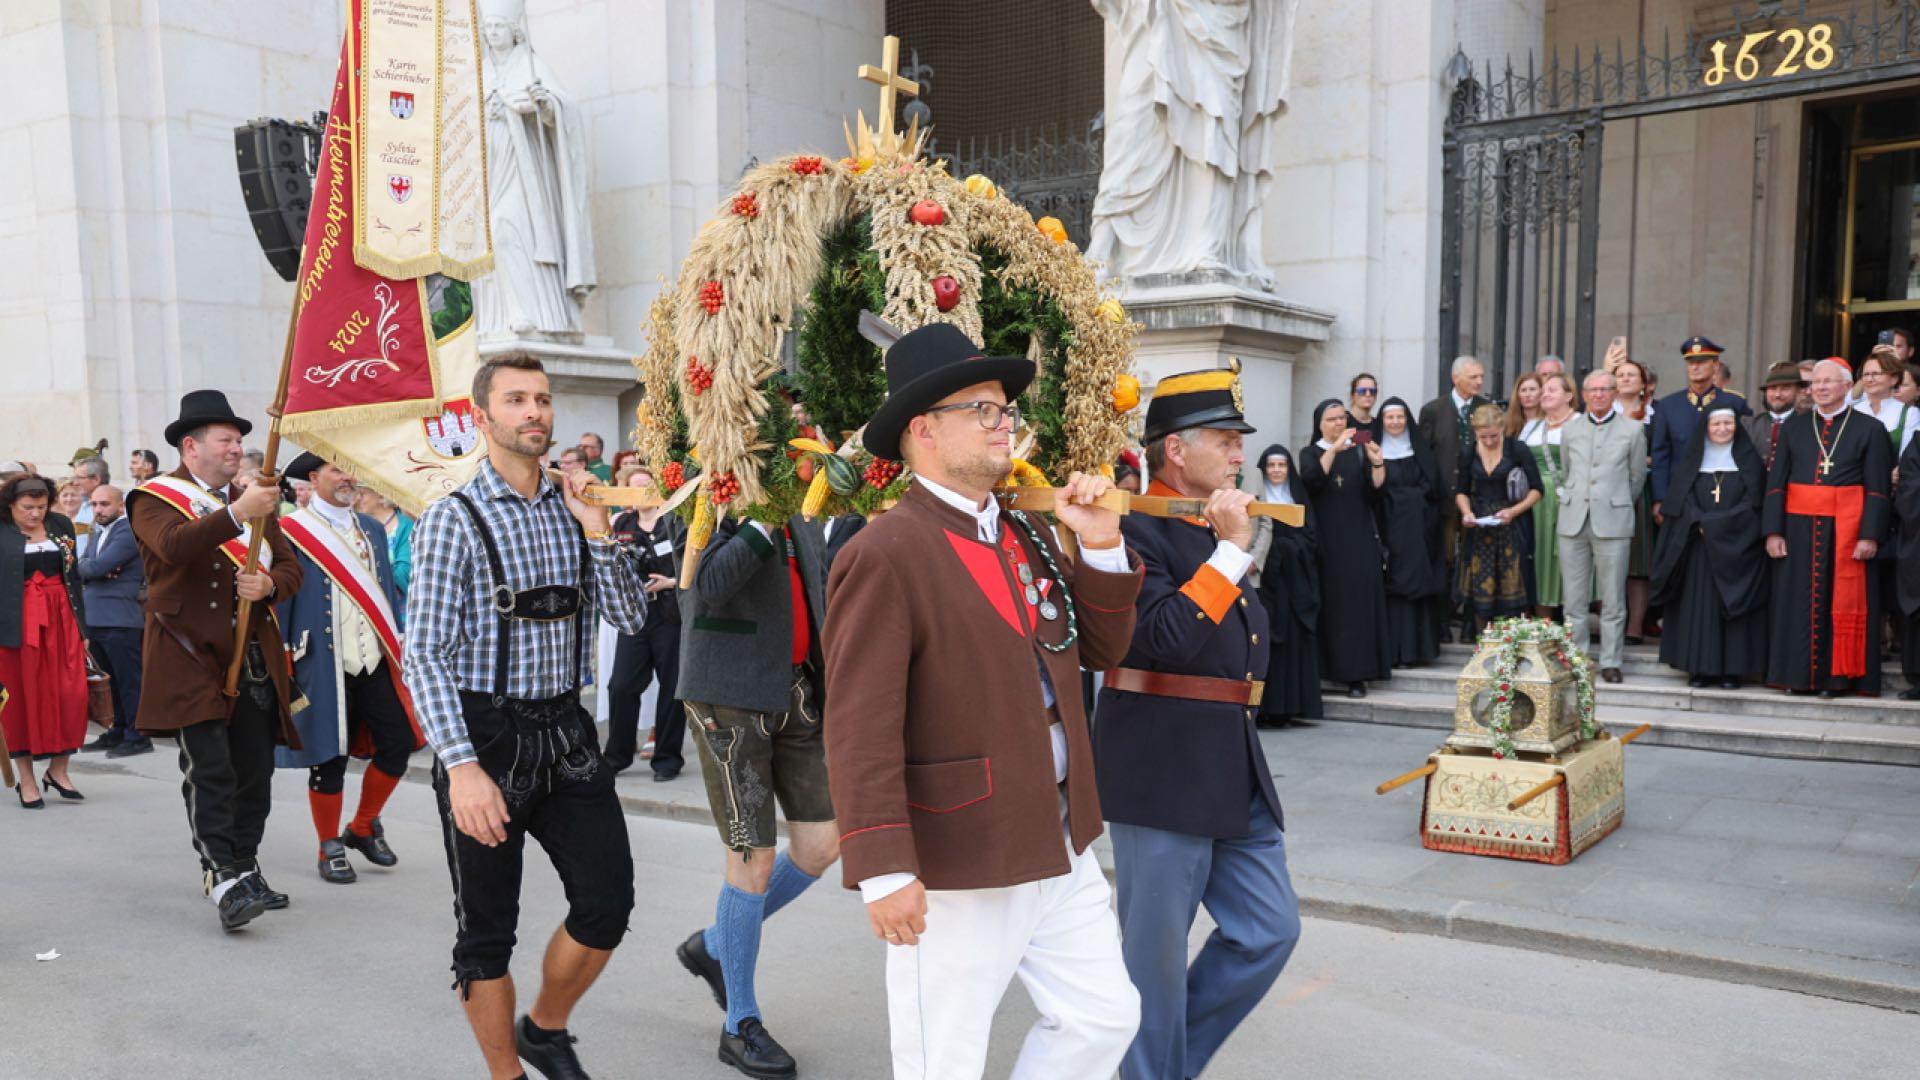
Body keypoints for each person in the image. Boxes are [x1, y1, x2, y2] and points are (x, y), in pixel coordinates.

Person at [823, 323, 1145, 1080]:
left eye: (1006, 411)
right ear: (923, 429)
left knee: (1105, 1018)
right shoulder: (884, 551)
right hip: (958, 851)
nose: (1006, 426)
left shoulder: (1028, 531)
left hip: (1059, 839)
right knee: (944, 1061)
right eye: (986, 410)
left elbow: (1100, 652)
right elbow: (859, 724)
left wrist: (1098, 545)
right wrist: (882, 868)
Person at [403, 356, 651, 1078]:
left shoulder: (576, 506)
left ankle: (545, 1027)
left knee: (607, 904)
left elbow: (631, 618)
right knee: (486, 937)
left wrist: (599, 532)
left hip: (567, 733)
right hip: (486, 738)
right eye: (516, 400)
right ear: (483, 417)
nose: (534, 412)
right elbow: (425, 656)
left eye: (542, 399)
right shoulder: (453, 518)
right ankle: (506, 1074)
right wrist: (462, 769)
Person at [1093, 364, 1295, 1080]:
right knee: (1152, 963)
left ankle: (1164, 1068)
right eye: (1225, 439)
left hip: (1228, 761)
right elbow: (1160, 639)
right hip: (1160, 766)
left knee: (1269, 930)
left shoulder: (1209, 521)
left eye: (1239, 441)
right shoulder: (1130, 525)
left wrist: (1231, 543)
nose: (1241, 453)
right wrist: (1233, 551)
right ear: (1174, 450)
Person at [673, 462, 838, 1079]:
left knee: (822, 846)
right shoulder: (699, 482)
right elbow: (707, 584)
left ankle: (717, 945)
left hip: (796, 689)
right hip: (727, 697)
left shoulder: (802, 487)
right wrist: (763, 514)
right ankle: (739, 1021)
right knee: (752, 857)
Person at [126, 390, 303, 930]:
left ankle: (246, 863)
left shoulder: (250, 501)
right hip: (188, 652)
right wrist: (235, 514)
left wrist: (269, 584)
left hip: (251, 652)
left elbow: (293, 568)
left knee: (255, 771)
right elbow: (175, 547)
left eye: (239, 439)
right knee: (210, 770)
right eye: (226, 439)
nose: (237, 448)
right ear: (191, 445)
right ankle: (222, 875)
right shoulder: (152, 498)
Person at [274, 453, 423, 885]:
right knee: (329, 756)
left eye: (351, 470)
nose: (348, 478)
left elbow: (387, 598)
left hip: (372, 659)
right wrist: (283, 655)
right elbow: (282, 597)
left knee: (397, 742)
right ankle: (328, 845)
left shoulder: (373, 529)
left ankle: (362, 826)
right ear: (314, 477)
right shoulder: (290, 532)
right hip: (319, 658)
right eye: (337, 470)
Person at [1763, 357, 1892, 698]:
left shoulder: (1870, 429)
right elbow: (1776, 483)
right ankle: (1798, 677)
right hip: (1798, 529)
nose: (1819, 388)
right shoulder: (1794, 427)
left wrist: (1870, 535)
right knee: (1798, 603)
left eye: (1828, 382)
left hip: (1847, 531)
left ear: (1848, 386)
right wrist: (1773, 531)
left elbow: (1878, 488)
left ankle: (1837, 680)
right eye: (1815, 382)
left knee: (1840, 603)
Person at [1652, 409, 1768, 688]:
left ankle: (1732, 671)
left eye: (1728, 423)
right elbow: (1683, 501)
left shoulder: (1749, 462)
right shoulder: (1692, 462)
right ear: (1706, 428)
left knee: (1733, 606)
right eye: (1716, 423)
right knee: (1699, 608)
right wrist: (1701, 524)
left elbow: (1755, 504)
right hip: (1698, 548)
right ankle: (1701, 668)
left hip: (1738, 549)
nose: (1722, 428)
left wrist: (1717, 526)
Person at [1, 474, 90, 808]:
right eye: (27, 507)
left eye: (40, 506)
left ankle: (58, 769)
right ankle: (26, 780)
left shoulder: (61, 525)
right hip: (15, 625)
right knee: (21, 700)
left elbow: (74, 578)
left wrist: (83, 630)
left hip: (62, 620)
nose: (35, 514)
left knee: (71, 695)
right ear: (11, 504)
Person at [1557, 370, 1649, 683]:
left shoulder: (1633, 430)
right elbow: (1567, 469)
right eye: (1592, 390)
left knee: (1612, 597)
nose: (1598, 395)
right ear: (1583, 394)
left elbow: (1637, 477)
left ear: (1613, 393)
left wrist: (1615, 501)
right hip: (1574, 520)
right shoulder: (1570, 430)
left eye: (1605, 390)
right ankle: (1577, 658)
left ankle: (1611, 660)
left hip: (1613, 521)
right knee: (1574, 597)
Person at [1301, 398, 1391, 696]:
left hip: (1359, 540)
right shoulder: (1310, 452)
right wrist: (1332, 451)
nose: (1339, 424)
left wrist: (1377, 461)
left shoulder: (1358, 454)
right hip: (1326, 541)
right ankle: (1327, 672)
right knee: (1331, 605)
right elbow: (1312, 482)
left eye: (1342, 418)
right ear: (1320, 424)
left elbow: (1376, 492)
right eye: (1332, 419)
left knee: (1357, 607)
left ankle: (1357, 676)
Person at [605, 463, 686, 780]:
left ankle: (667, 759)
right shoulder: (620, 523)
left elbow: (697, 562)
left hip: (670, 614)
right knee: (621, 686)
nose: (641, 492)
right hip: (636, 616)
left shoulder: (675, 520)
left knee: (671, 689)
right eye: (634, 487)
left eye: (646, 485)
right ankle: (617, 755)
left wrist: (670, 582)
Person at [1454, 405, 1542, 634]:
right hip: (1481, 523)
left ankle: (1514, 639)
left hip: (1511, 522)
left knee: (1514, 581)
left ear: (1502, 428)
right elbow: (1461, 490)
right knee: (1481, 583)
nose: (1490, 441)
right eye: (1484, 437)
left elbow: (1537, 490)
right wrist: (1466, 512)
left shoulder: (1517, 449)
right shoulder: (1468, 452)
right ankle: (1484, 640)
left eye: (1494, 435)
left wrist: (1513, 512)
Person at [1420, 355, 1491, 637]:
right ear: (1456, 378)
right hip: (1444, 502)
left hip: (1479, 500)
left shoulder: (1486, 409)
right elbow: (1424, 456)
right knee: (1445, 559)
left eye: (1481, 376)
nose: (1479, 381)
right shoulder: (1433, 410)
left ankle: (1472, 623)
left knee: (1476, 560)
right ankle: (1443, 620)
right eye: (1474, 376)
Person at [78, 483, 151, 757]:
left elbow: (94, 566)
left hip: (121, 619)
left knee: (128, 681)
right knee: (111, 683)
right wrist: (90, 570)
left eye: (104, 504)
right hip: (96, 617)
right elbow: (84, 565)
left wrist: (91, 570)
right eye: (94, 504)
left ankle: (138, 735)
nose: (98, 509)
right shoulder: (99, 532)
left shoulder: (128, 531)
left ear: (121, 505)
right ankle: (118, 729)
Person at [1251, 445, 1321, 726]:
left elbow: (1312, 539)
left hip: (1294, 586)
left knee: (1292, 644)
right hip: (1266, 583)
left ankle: (1289, 708)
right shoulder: (1256, 498)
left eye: (1282, 465)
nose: (1277, 471)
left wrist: (1289, 549)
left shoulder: (1299, 497)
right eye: (1271, 466)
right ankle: (1265, 709)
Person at [1375, 398, 1444, 667]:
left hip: (1419, 529)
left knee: (1417, 585)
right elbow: (1374, 491)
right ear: (1382, 421)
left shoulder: (1420, 450)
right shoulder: (1376, 452)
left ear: (1407, 420)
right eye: (1389, 418)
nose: (1395, 422)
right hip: (1388, 527)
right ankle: (1394, 652)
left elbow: (1433, 486)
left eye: (1400, 417)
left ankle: (1418, 650)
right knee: (1392, 585)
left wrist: (1410, 501)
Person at [1651, 337, 1749, 520]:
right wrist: (1660, 498)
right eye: (1690, 362)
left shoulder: (1734, 402)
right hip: (1680, 495)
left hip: (1722, 494)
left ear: (1715, 366)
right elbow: (1661, 455)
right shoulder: (1669, 406)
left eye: (1702, 362)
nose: (1695, 367)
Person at [1527, 373, 1577, 617]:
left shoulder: (1579, 423)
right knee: (1539, 556)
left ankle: (1569, 620)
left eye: (1552, 390)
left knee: (1566, 557)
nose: (1544, 394)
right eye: (1543, 390)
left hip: (1566, 499)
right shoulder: (1532, 426)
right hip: (1534, 501)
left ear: (1569, 395)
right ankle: (1541, 619)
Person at [1855, 346, 1917, 455]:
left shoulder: (1909, 413)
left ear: (1894, 379)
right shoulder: (1854, 410)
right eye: (1865, 374)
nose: (1870, 379)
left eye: (1876, 374)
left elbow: (1908, 456)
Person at [355, 487, 414, 598]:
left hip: (396, 604)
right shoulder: (359, 526)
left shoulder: (406, 526)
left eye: (362, 494)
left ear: (381, 496)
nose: (358, 498)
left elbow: (403, 572)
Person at [1746, 361, 1805, 471]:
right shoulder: (1749, 425)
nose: (1777, 394)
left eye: (1785, 388)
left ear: (1798, 391)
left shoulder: (1807, 426)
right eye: (1773, 388)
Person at [1503, 372, 1544, 441]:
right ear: (1518, 395)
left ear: (1541, 392)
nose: (1527, 394)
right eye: (1523, 390)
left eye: (1532, 389)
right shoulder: (1508, 423)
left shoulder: (1549, 421)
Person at [1346, 372, 1382, 442]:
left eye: (1372, 391)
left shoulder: (1379, 425)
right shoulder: (1341, 421)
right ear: (1352, 395)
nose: (1368, 394)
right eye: (1362, 391)